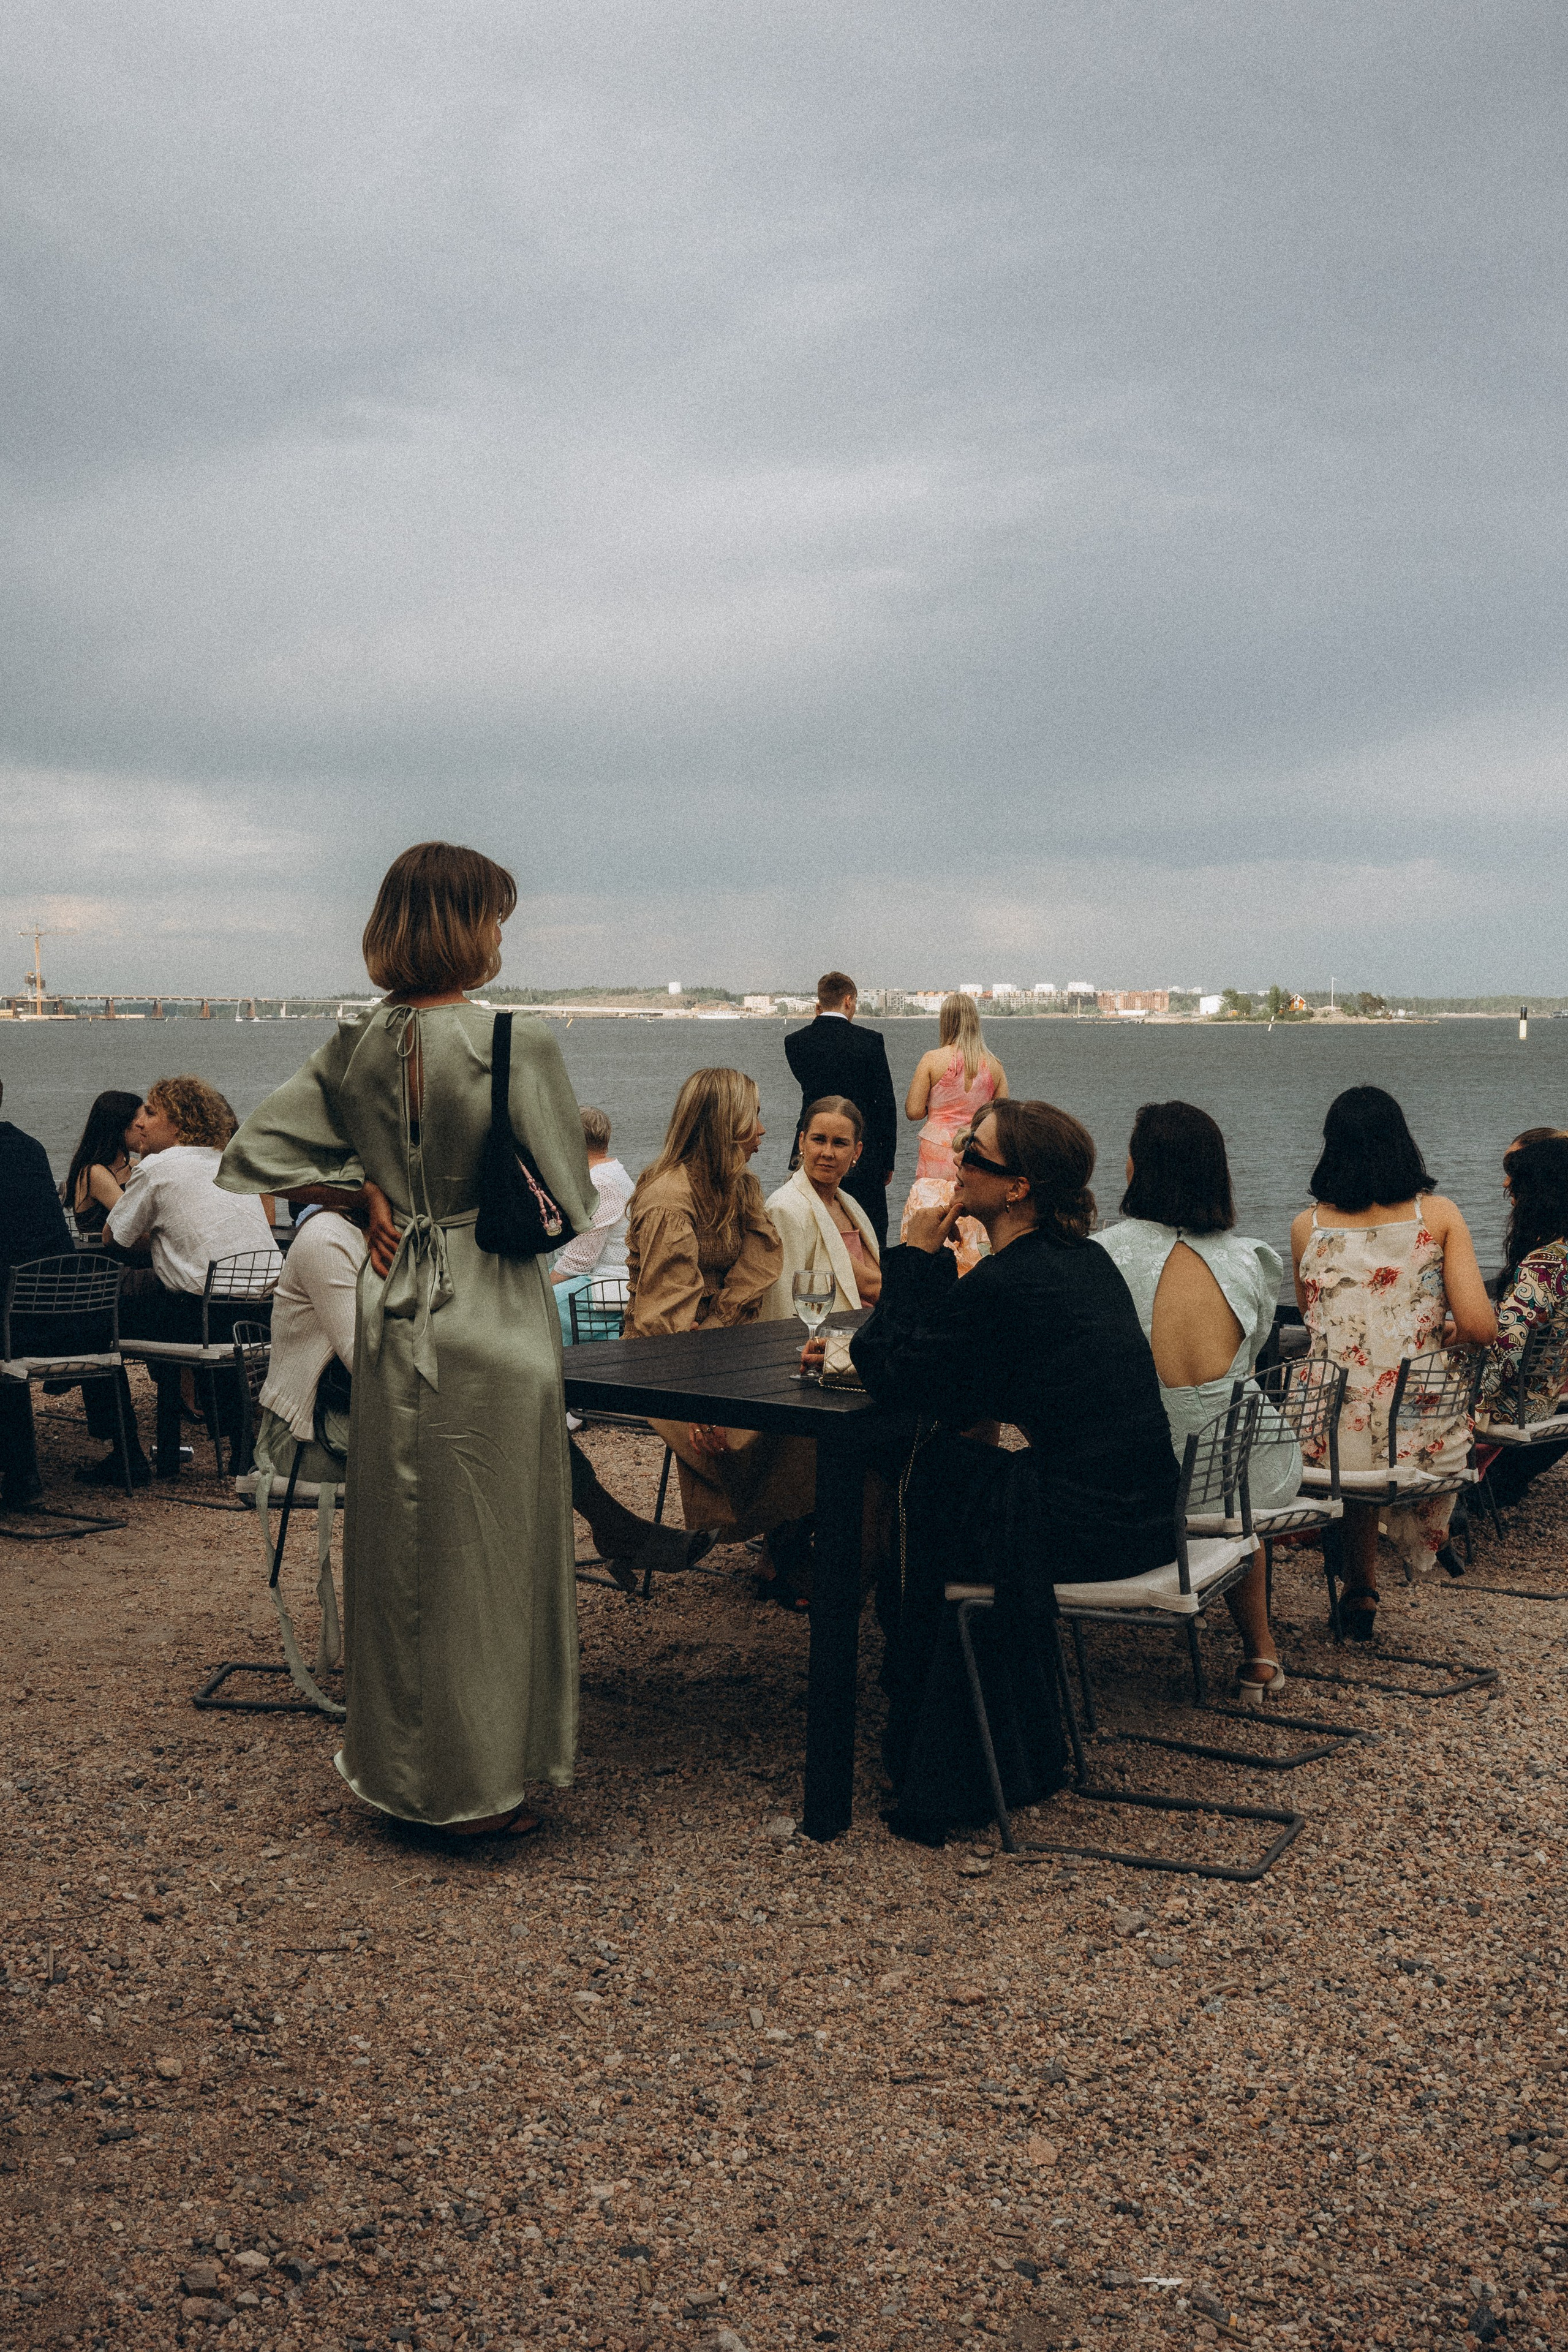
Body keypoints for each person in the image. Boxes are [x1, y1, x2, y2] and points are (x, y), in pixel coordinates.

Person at [217, 840, 598, 1839]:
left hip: (395, 1309)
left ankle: (406, 1775)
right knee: (496, 1554)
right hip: (492, 1308)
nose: (503, 936)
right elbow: (570, 1195)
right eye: (496, 917)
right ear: (468, 927)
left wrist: (364, 1186)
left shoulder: (355, 1043)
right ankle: (487, 1784)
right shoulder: (518, 1038)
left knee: (403, 1553)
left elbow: (254, 1153)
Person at [843, 1099, 1180, 1843]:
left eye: (973, 1155)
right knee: (940, 1473)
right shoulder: (1078, 1261)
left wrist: (916, 1255)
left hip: (1090, 1527)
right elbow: (974, 1380)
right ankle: (944, 1726)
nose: (957, 1160)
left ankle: (908, 1723)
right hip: (1147, 1513)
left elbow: (893, 1371)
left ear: (1017, 1187)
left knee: (915, 1475)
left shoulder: (1010, 1280)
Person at [1094, 1100, 1297, 1702]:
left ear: (1135, 1169)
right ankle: (1261, 1653)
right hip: (1236, 1461)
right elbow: (1255, 1349)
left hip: (1139, 1471)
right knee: (1236, 1500)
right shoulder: (1250, 1258)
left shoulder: (1101, 1256)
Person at [1291, 1085, 1497, 1638]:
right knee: (1402, 1415)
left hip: (1326, 1435)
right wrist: (1440, 1329)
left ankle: (1360, 1592)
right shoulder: (1439, 1215)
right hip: (1420, 1425)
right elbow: (1481, 1328)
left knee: (1355, 1429)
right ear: (1403, 1143)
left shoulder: (1306, 1227)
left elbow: (1316, 1322)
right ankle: (1435, 1532)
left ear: (1330, 1148)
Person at [625, 1068, 815, 1600]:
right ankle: (785, 1555)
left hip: (722, 1336)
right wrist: (700, 1397)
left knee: (811, 1405)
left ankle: (786, 1552)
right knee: (757, 1429)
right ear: (725, 1125)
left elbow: (759, 1261)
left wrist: (722, 1317)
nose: (762, 1129)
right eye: (754, 1116)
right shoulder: (669, 1198)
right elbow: (665, 1317)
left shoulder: (740, 1186)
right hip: (664, 1355)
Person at [99, 1076, 281, 1483]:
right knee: (166, 1292)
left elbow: (115, 1237)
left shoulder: (158, 1167)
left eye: (151, 1112)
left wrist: (162, 1238)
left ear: (178, 1125)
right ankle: (238, 1448)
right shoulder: (229, 1160)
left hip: (197, 1318)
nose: (140, 1123)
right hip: (260, 1315)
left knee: (101, 1302)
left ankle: (125, 1452)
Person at [1477, 1133, 1568, 1507]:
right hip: (1548, 1394)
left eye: (1515, 1176)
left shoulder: (1543, 1266)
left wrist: (1463, 1400)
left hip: (1518, 1408)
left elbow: (1505, 1357)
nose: (1504, 1184)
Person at [0, 1079, 78, 1507]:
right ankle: (23, 1473)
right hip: (58, 1316)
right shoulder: (30, 1149)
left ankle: (21, 1474)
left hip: (15, 1325)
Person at [783, 971, 899, 1248]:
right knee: (868, 1229)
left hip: (812, 1139)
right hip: (861, 1147)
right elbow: (885, 1103)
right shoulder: (871, 1041)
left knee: (809, 1222)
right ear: (849, 1000)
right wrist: (888, 1159)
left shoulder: (795, 1042)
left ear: (819, 1004)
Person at [900, 991, 1009, 1276]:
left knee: (932, 1209)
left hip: (936, 1150)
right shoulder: (994, 1066)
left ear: (945, 1022)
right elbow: (1002, 1115)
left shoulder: (933, 1060)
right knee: (971, 1213)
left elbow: (913, 1111)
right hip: (975, 1151)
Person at [764, 1095, 883, 1320]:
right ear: (802, 1142)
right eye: (819, 1140)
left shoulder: (850, 1205)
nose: (828, 1153)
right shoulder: (784, 1209)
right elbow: (781, 1307)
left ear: (856, 1152)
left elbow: (875, 1284)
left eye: (839, 1143)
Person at [551, 1105, 634, 1344]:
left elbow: (580, 1260)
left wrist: (542, 1287)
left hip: (606, 1284)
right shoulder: (613, 1170)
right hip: (606, 1277)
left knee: (537, 1311)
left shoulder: (599, 1182)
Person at [62, 1090, 141, 1234]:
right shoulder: (94, 1173)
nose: (145, 1128)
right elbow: (132, 1218)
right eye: (139, 1123)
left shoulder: (133, 1166)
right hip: (103, 1255)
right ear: (121, 1127)